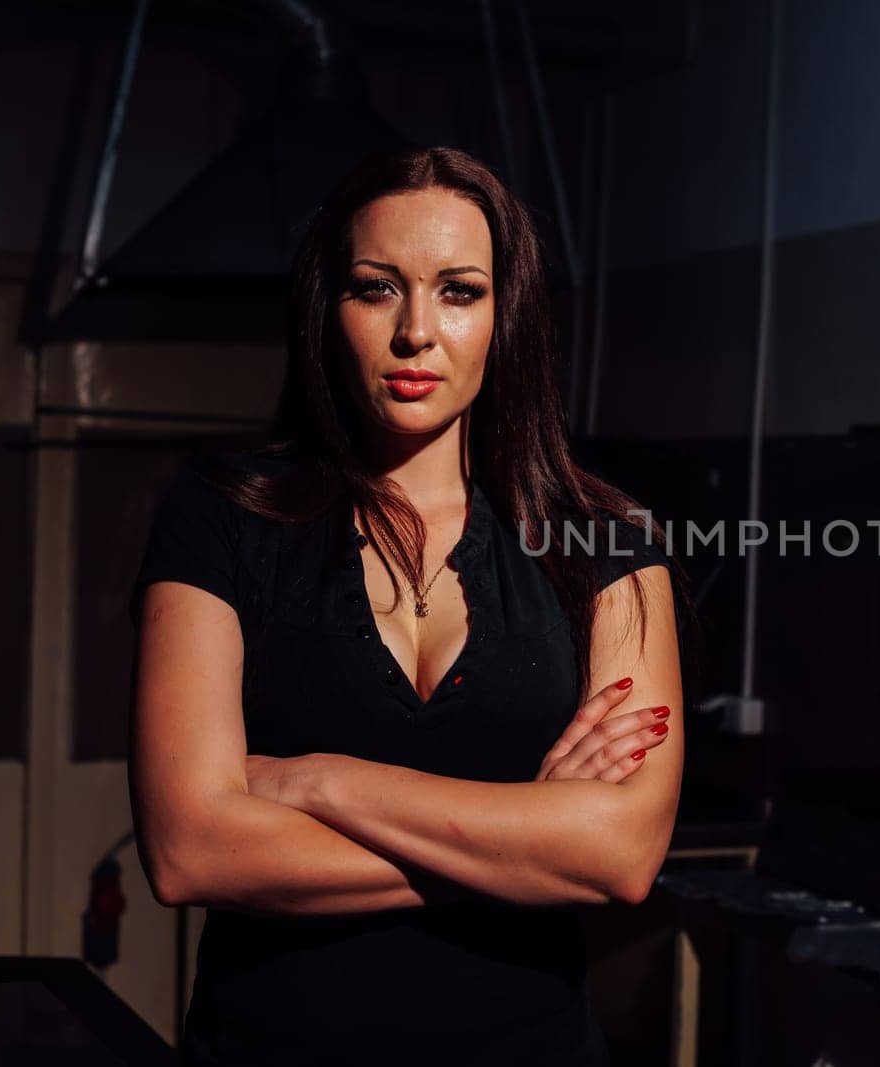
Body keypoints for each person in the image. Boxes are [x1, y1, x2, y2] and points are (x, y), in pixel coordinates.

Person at [126, 145, 692, 1065]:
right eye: (377, 287)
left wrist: (315, 781)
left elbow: (621, 854)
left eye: (460, 290)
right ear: (328, 308)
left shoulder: (605, 541)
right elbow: (191, 848)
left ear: (506, 315)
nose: (416, 331)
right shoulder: (220, 519)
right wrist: (525, 839)